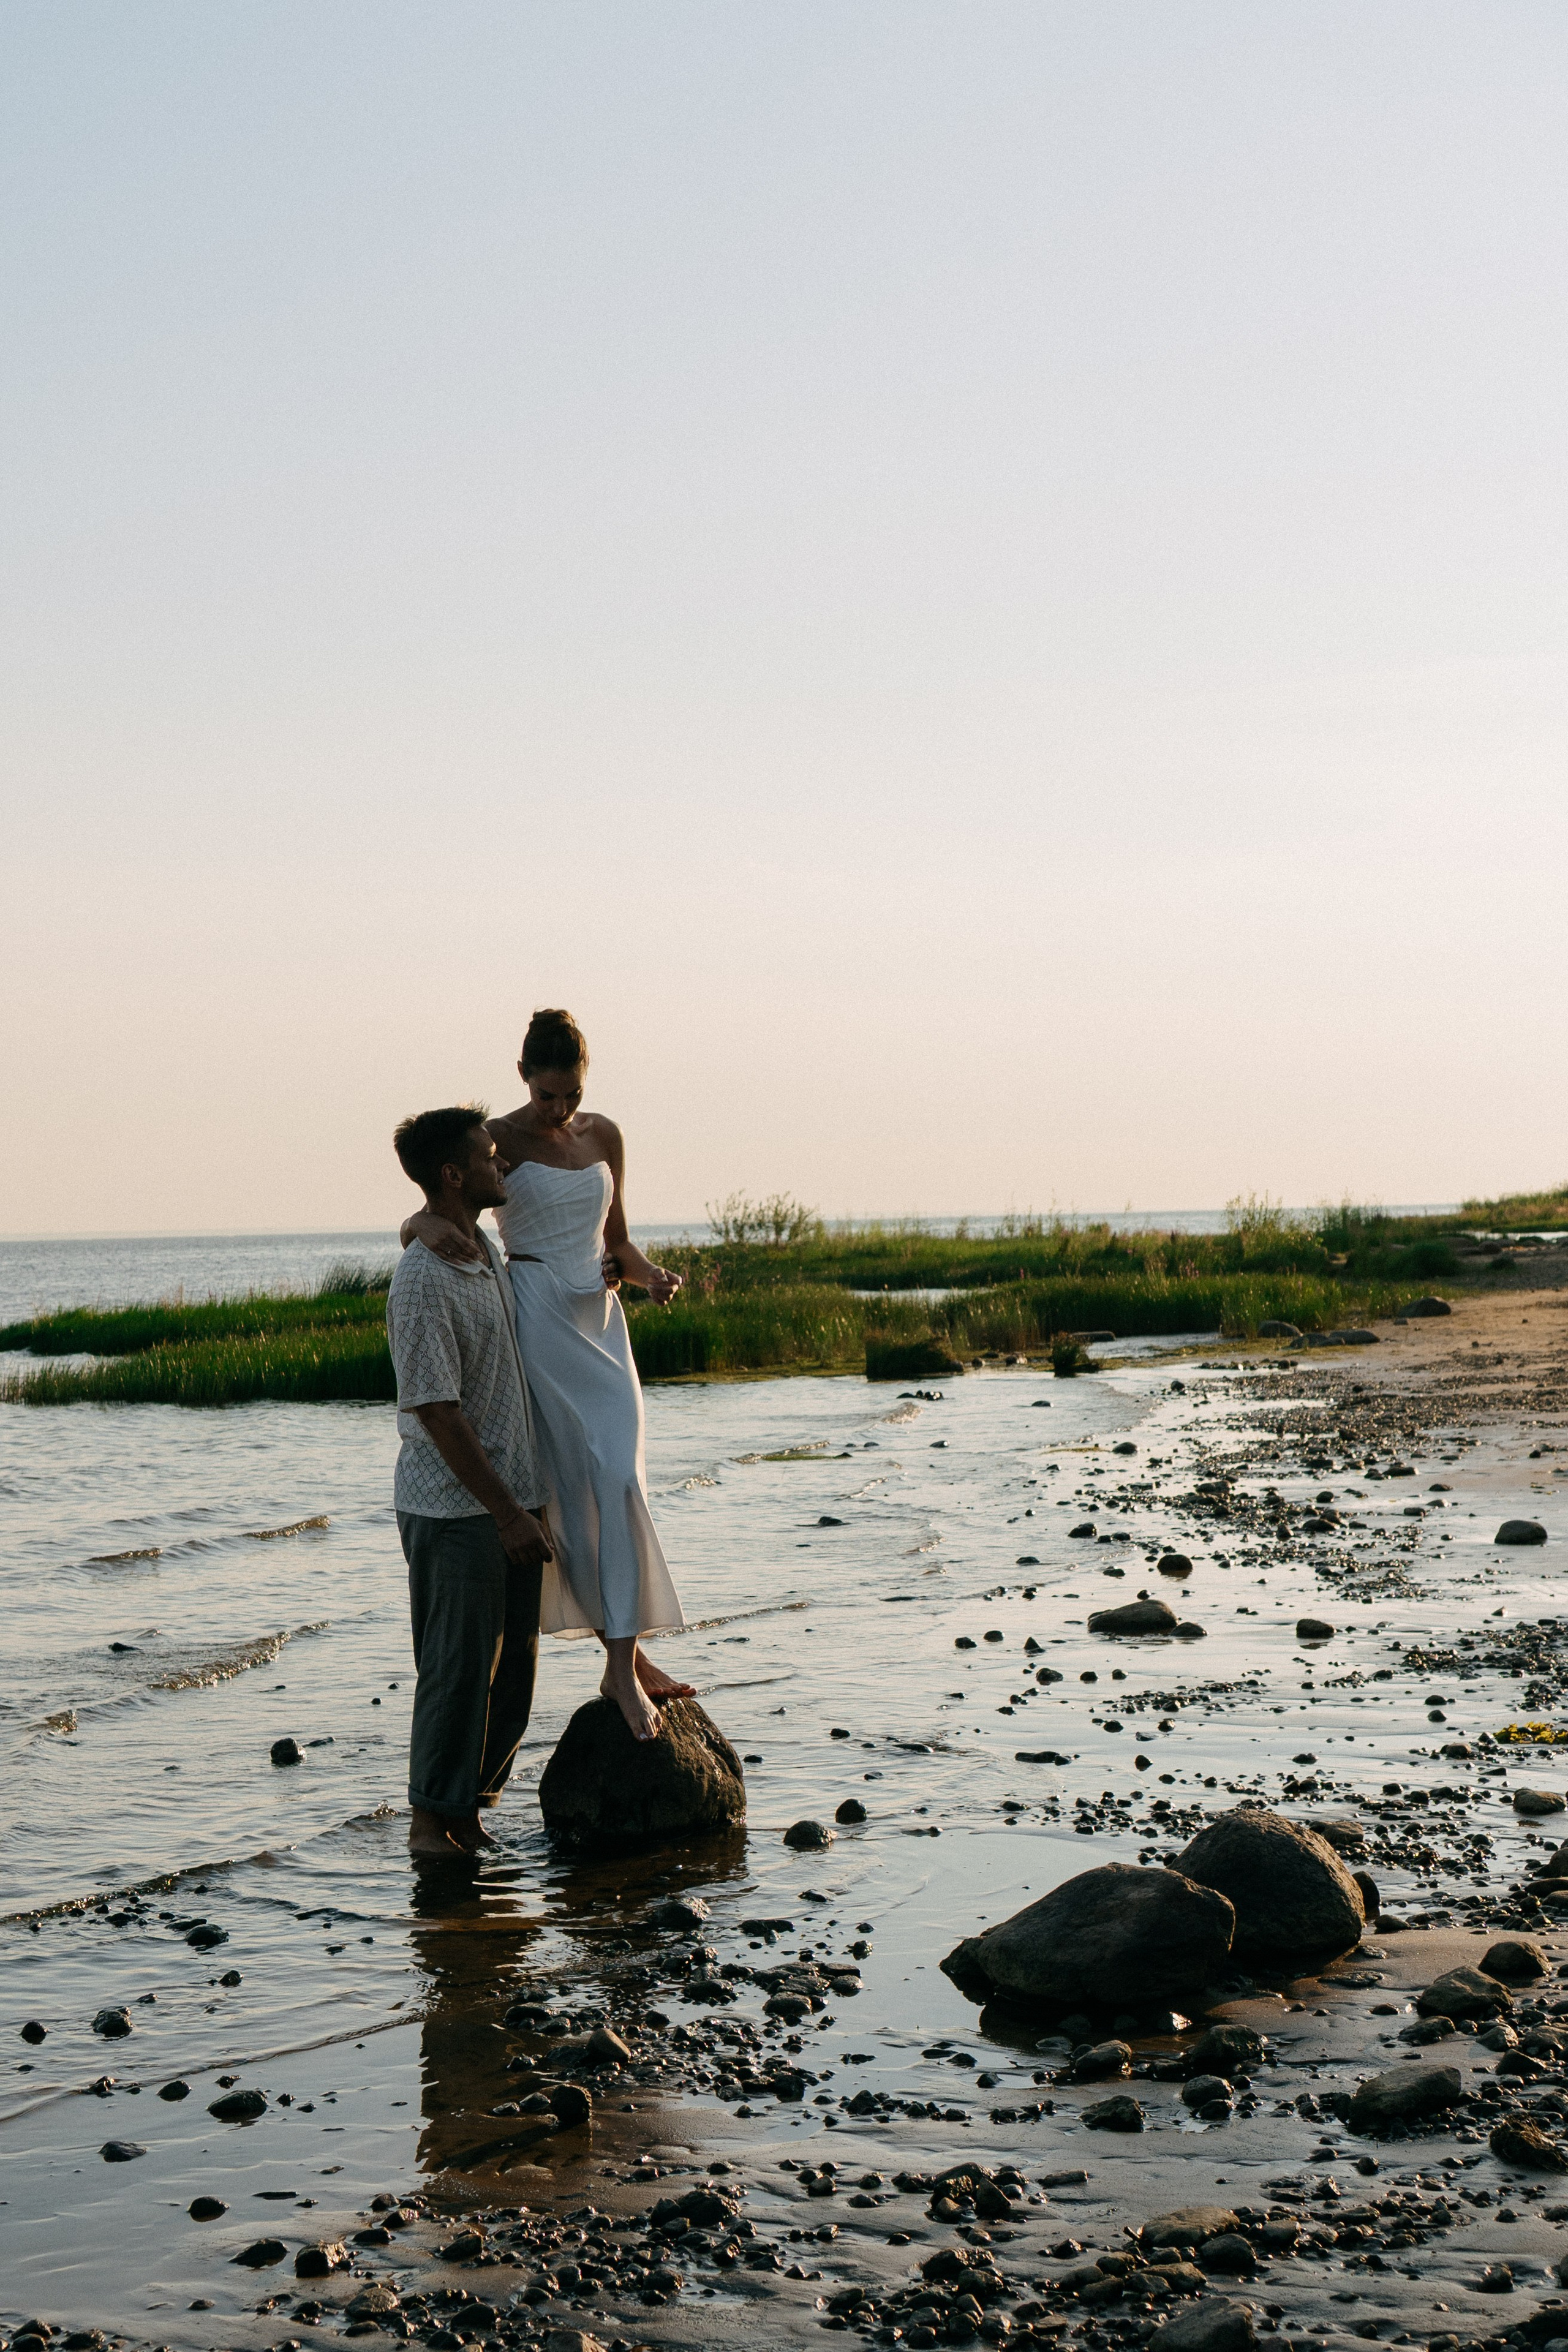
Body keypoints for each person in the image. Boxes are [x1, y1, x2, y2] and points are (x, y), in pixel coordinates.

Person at [401, 1008, 692, 1743]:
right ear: (525, 1075)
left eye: (571, 1095)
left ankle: (624, 1659)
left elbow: (617, 1242)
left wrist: (650, 1277)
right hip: (535, 1318)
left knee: (622, 1480)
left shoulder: (606, 1136)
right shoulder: (495, 1136)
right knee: (572, 1492)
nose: (560, 1110)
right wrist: (413, 1228)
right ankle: (621, 1660)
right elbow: (439, 1200)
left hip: (601, 1320)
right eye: (548, 1095)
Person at [386, 1105, 554, 1858]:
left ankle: (470, 1812)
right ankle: (431, 1828)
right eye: (489, 1157)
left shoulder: (476, 1247)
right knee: (456, 1674)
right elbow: (438, 1413)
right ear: (455, 1174)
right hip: (457, 1512)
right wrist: (507, 1515)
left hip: (510, 1501)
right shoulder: (423, 1278)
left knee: (512, 1666)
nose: (502, 1164)